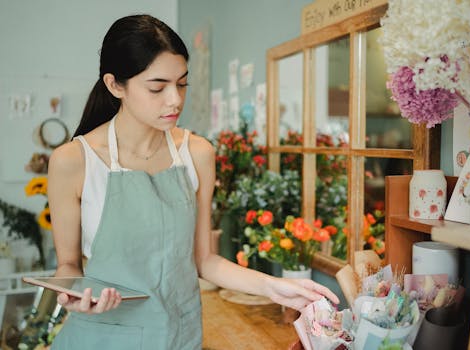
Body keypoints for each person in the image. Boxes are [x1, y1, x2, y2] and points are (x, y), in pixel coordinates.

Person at [47, 14, 339, 349]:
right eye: (157, 87)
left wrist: (274, 287)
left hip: (178, 335)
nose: (175, 100)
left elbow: (204, 260)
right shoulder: (73, 161)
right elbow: (67, 266)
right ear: (115, 85)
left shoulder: (196, 153)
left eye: (182, 84)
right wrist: (72, 294)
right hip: (102, 336)